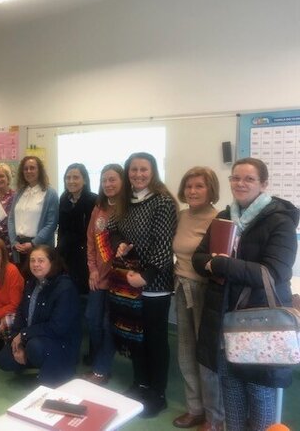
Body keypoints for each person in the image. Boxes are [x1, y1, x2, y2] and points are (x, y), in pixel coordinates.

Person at [192, 158, 298, 431]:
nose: (240, 183)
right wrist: (214, 263)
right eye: (235, 178)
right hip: (224, 316)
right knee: (231, 391)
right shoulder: (224, 216)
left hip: (260, 322)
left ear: (264, 184)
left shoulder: (280, 221)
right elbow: (198, 258)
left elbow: (272, 273)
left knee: (259, 394)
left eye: (249, 179)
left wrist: (220, 264)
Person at [110, 152, 178, 418]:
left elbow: (163, 245)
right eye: (133, 169)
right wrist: (120, 244)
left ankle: (157, 393)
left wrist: (146, 276)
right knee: (135, 336)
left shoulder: (162, 202)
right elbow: (113, 230)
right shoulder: (125, 201)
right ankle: (140, 384)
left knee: (155, 339)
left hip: (154, 284)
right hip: (129, 283)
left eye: (143, 169)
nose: (138, 174)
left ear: (153, 172)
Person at [172, 167, 224, 430]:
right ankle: (195, 408)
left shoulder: (219, 220)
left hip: (205, 291)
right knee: (186, 351)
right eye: (189, 186)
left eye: (199, 186)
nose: (192, 191)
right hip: (181, 287)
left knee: (206, 356)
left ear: (210, 189)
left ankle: (214, 417)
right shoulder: (182, 216)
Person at [0, 245, 81, 386]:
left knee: (34, 347)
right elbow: (21, 313)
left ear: (52, 263)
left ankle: (55, 368)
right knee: (5, 359)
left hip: (59, 343)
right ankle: (35, 362)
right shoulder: (31, 282)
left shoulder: (65, 288)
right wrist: (17, 341)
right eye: (32, 260)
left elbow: (57, 328)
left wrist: (24, 335)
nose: (35, 264)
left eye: (41, 260)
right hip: (34, 337)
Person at [83, 163, 123, 385]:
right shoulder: (98, 208)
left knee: (109, 325)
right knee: (92, 320)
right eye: (104, 180)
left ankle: (101, 369)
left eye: (112, 179)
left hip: (119, 280)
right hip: (98, 278)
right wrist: (92, 269)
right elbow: (90, 241)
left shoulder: (128, 209)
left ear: (122, 181)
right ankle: (99, 361)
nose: (108, 184)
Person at [8, 156, 59, 269]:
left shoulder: (50, 193)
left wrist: (33, 243)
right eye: (25, 169)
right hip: (18, 245)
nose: (28, 171)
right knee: (21, 278)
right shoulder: (19, 193)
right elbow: (11, 219)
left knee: (38, 277)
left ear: (39, 170)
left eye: (32, 168)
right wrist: (14, 242)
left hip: (39, 246)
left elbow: (51, 224)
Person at [57, 163, 97, 294]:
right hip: (66, 252)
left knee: (83, 290)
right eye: (68, 178)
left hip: (85, 253)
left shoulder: (93, 200)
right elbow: (62, 228)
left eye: (76, 177)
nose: (71, 181)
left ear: (84, 180)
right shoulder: (64, 198)